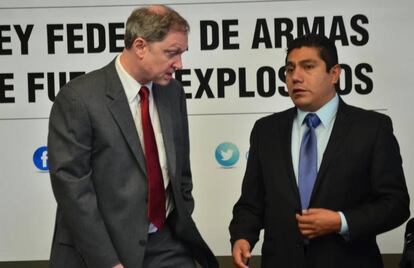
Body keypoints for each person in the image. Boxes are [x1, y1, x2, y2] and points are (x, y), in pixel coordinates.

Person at [48, 5, 218, 268]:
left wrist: (180, 210)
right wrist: (107, 261)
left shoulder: (173, 92)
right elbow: (73, 190)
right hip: (104, 250)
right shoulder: (79, 98)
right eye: (171, 53)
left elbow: (180, 171)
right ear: (140, 46)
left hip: (166, 243)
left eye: (182, 54)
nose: (179, 64)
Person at [229, 34, 410, 268]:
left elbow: (395, 204)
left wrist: (341, 221)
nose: (296, 77)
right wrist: (242, 236)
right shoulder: (266, 131)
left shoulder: (372, 128)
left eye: (308, 67)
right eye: (289, 69)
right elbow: (250, 204)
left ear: (334, 74)